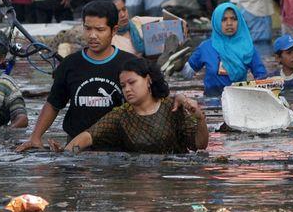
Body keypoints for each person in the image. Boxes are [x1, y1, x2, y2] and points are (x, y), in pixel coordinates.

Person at [16, 0, 199, 151]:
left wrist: (180, 98)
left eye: (100, 29)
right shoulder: (70, 64)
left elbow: (156, 102)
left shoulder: (128, 65)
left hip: (120, 148)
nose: (93, 35)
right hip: (77, 147)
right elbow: (54, 103)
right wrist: (35, 137)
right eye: (88, 29)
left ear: (114, 30)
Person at [63, 58, 208, 154]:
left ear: (148, 80)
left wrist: (200, 119)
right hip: (138, 178)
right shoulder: (121, 115)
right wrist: (64, 155)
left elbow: (200, 146)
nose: (127, 89)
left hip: (174, 177)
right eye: (123, 85)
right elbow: (88, 136)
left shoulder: (172, 107)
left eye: (132, 83)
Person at [187, 2, 267, 97]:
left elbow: (262, 78)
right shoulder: (206, 47)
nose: (229, 23)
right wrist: (178, 65)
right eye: (224, 19)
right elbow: (187, 72)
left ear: (240, 21)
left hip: (239, 100)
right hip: (211, 100)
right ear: (216, 21)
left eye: (233, 19)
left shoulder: (248, 48)